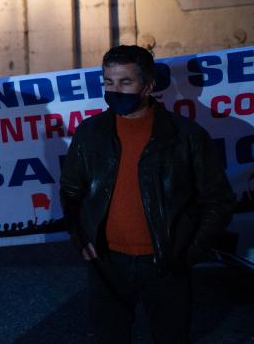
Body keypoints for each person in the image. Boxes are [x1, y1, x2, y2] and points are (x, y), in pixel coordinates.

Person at [59, 45, 235, 343]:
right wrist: (80, 239)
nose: (116, 90)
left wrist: (189, 252)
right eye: (109, 83)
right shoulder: (90, 133)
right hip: (107, 262)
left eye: (126, 82)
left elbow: (217, 200)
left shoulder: (187, 136)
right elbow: (70, 191)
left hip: (167, 264)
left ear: (149, 85)